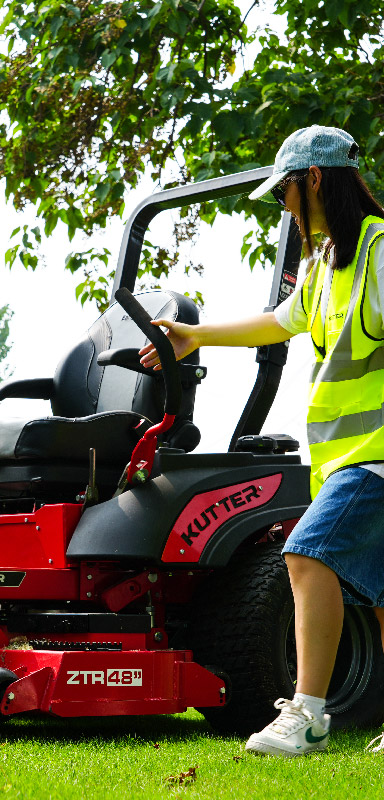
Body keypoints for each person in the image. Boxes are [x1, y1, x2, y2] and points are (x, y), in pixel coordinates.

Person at [138, 125, 384, 757]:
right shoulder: (329, 265)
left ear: (316, 180)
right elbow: (280, 322)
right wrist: (196, 337)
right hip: (346, 459)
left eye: (286, 192)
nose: (282, 205)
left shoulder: (382, 255)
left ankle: (306, 715)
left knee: (305, 556)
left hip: (377, 458)